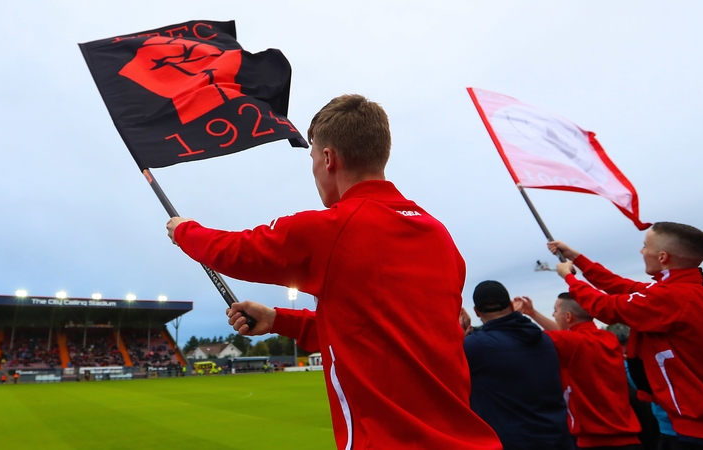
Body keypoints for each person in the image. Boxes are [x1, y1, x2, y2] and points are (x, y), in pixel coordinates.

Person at [166, 94, 502, 450]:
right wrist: (279, 320)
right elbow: (374, 332)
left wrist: (184, 230)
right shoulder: (440, 236)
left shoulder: (333, 229)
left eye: (312, 158)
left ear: (328, 159)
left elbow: (235, 251)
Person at [547, 222, 703, 449]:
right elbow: (619, 285)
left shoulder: (674, 296)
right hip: (698, 425)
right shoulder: (685, 290)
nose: (642, 252)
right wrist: (578, 258)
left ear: (662, 257)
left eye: (645, 246)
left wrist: (570, 280)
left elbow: (606, 308)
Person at [515, 294, 642, 449]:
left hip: (597, 441)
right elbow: (569, 336)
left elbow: (529, 336)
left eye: (555, 311)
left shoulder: (572, 342)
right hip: (629, 436)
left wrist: (513, 315)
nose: (554, 315)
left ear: (568, 316)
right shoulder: (608, 338)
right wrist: (533, 313)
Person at [463, 281, 574, 450]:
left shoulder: (475, 346)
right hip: (559, 438)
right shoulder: (546, 340)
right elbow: (564, 335)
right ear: (510, 305)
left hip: (512, 442)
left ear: (477, 311)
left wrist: (459, 330)